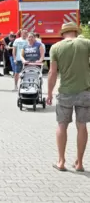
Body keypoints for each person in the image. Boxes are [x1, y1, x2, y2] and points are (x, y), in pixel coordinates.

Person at [47, 22, 90, 172]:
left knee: (62, 125)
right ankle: (79, 163)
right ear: (75, 32)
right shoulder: (86, 43)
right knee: (82, 126)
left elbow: (52, 73)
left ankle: (61, 161)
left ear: (63, 33)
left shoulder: (56, 47)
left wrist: (49, 92)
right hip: (85, 91)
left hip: (65, 92)